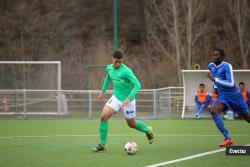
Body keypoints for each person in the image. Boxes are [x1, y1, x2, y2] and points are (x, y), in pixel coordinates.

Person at [91, 50, 154, 152]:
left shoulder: (126, 71)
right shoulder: (109, 68)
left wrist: (129, 98)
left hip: (128, 100)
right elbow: (108, 78)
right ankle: (103, 145)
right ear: (112, 59)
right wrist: (102, 91)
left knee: (131, 124)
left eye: (120, 62)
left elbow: (138, 85)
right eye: (116, 61)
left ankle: (147, 130)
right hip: (116, 97)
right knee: (103, 117)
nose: (118, 64)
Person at [207, 49, 250, 147]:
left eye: (216, 55)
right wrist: (216, 87)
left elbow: (230, 83)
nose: (214, 57)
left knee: (247, 118)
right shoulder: (211, 66)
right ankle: (227, 138)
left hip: (234, 95)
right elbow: (214, 77)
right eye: (213, 55)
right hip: (222, 96)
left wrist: (215, 79)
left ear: (222, 57)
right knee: (213, 110)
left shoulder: (227, 66)